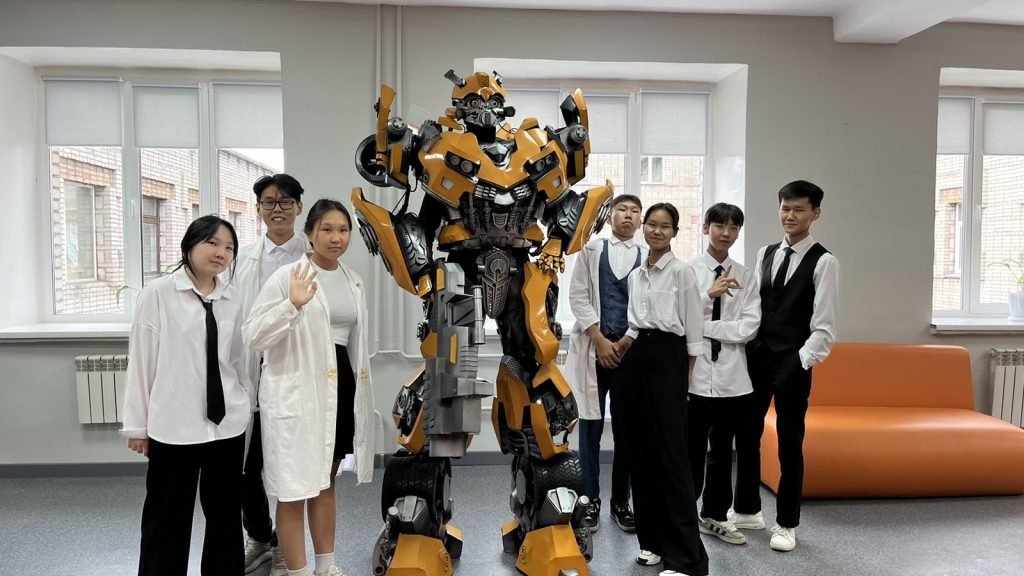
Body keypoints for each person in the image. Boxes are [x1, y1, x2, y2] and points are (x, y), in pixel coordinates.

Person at [242, 199, 375, 576]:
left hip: (340, 388)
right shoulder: (288, 277)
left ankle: (325, 566)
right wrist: (292, 306)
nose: (336, 238)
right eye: (327, 229)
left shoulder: (353, 280)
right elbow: (253, 335)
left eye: (343, 230)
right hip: (298, 392)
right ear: (310, 235)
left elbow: (354, 343)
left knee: (325, 481)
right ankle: (298, 572)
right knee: (293, 488)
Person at [121, 215, 253, 576]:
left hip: (226, 427)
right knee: (167, 518)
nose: (221, 252)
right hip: (174, 426)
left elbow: (235, 359)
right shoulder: (158, 294)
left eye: (229, 247)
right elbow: (142, 362)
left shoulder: (232, 298)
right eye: (213, 242)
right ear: (190, 245)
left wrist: (244, 400)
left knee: (225, 517)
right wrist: (137, 426)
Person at [731, 180, 840, 552]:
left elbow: (824, 327)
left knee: (790, 443)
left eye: (798, 209)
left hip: (793, 361)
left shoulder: (824, 262)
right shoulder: (765, 252)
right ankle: (747, 510)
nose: (790, 216)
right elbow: (755, 306)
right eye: (785, 208)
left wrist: (800, 361)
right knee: (746, 436)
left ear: (815, 213)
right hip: (757, 357)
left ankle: (787, 524)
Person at [618, 203, 708, 576]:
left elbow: (694, 333)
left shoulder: (683, 272)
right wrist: (622, 346)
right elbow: (636, 324)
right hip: (638, 357)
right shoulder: (636, 274)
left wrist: (684, 381)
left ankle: (687, 559)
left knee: (671, 458)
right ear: (644, 227)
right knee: (640, 452)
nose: (657, 231)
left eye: (665, 226)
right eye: (652, 224)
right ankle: (651, 542)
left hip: (671, 358)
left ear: (674, 232)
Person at [232, 174, 307, 575]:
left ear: (299, 207)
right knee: (247, 466)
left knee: (290, 465)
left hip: (295, 369)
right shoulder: (243, 259)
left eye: (285, 201)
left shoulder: (313, 255)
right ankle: (261, 538)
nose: (277, 209)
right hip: (250, 370)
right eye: (268, 202)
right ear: (258, 209)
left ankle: (288, 545)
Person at [566, 194, 644, 533]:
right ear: (610, 217)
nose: (628, 215)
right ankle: (590, 500)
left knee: (627, 431)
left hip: (630, 353)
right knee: (590, 429)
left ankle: (620, 503)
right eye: (621, 210)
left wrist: (624, 342)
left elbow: (647, 306)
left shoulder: (648, 256)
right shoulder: (590, 250)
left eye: (634, 211)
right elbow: (578, 295)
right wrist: (599, 339)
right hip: (593, 349)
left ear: (640, 220)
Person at [685, 203, 760, 547]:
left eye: (733, 228)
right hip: (695, 376)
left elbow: (748, 328)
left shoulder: (746, 276)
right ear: (706, 228)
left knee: (721, 453)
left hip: (733, 379)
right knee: (690, 450)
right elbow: (678, 318)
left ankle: (714, 515)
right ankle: (683, 515)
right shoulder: (687, 272)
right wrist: (708, 296)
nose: (725, 233)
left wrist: (705, 327)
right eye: (719, 226)